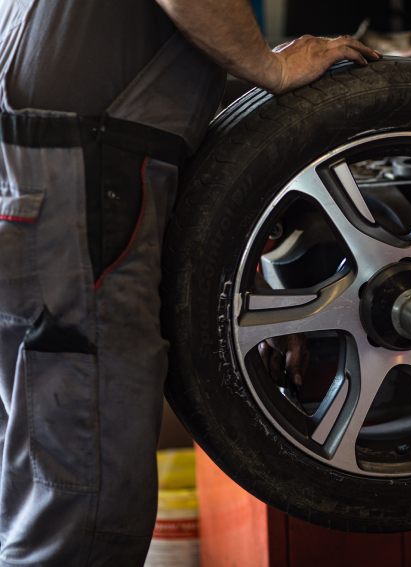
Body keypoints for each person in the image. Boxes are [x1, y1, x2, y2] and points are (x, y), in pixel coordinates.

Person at [0, 0, 379, 564]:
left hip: (43, 180)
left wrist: (257, 293)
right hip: (74, 188)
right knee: (81, 520)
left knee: (46, 487)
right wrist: (269, 68)